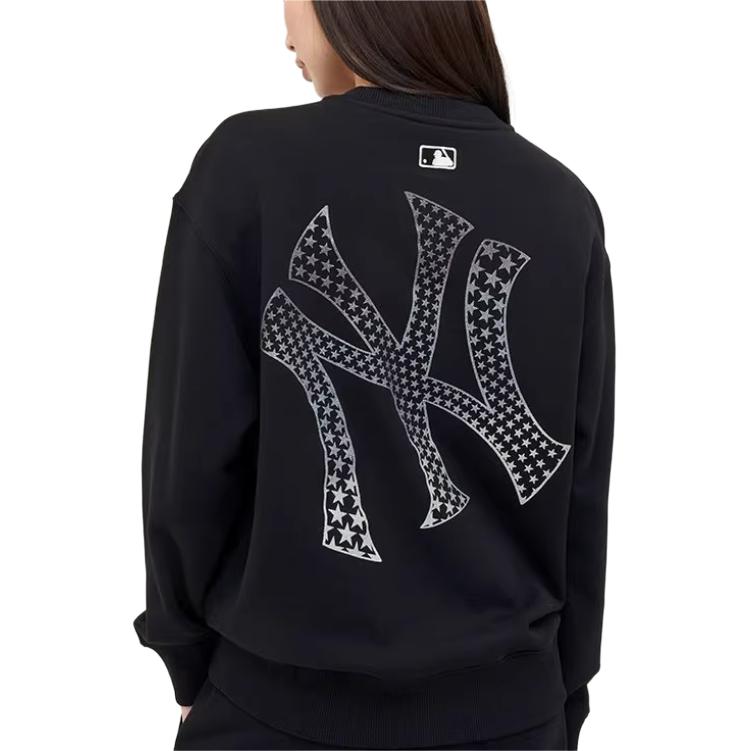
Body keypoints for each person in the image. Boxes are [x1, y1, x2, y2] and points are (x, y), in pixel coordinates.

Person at [132, 2, 616, 749]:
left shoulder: (248, 166)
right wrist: (559, 703)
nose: (284, 33)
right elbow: (578, 494)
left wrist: (186, 658)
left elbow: (189, 461)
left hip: (274, 712)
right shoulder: (562, 203)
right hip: (509, 718)